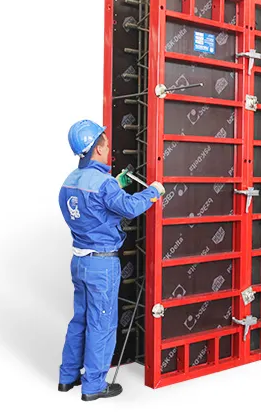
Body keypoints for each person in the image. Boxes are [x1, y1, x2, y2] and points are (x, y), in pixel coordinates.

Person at [57, 119, 164, 401]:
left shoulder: (69, 181)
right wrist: (153, 191)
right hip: (102, 265)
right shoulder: (104, 184)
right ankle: (94, 385)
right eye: (105, 144)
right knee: (101, 323)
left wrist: (116, 184)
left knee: (80, 320)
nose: (108, 148)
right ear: (97, 148)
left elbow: (92, 208)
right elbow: (129, 207)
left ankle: (67, 376)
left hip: (79, 261)